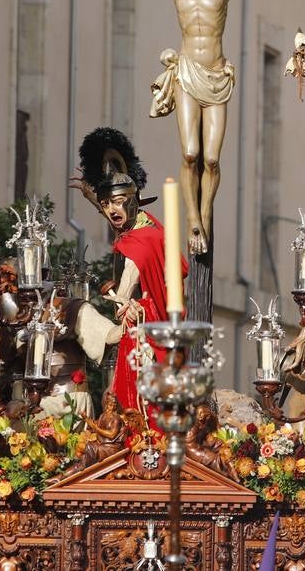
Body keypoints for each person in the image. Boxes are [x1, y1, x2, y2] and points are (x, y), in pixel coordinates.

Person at [63, 0, 305, 254]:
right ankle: (193, 218)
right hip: (188, 73)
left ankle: (204, 214)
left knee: (212, 160)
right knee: (191, 153)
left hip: (217, 76)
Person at [71, 127, 187, 412]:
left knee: (135, 403)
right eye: (105, 205)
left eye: (117, 203)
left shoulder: (140, 244)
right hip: (147, 324)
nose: (111, 210)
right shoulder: (144, 223)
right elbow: (120, 220)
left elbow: (126, 285)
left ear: (132, 201)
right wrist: (92, 196)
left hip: (146, 326)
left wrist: (123, 303)